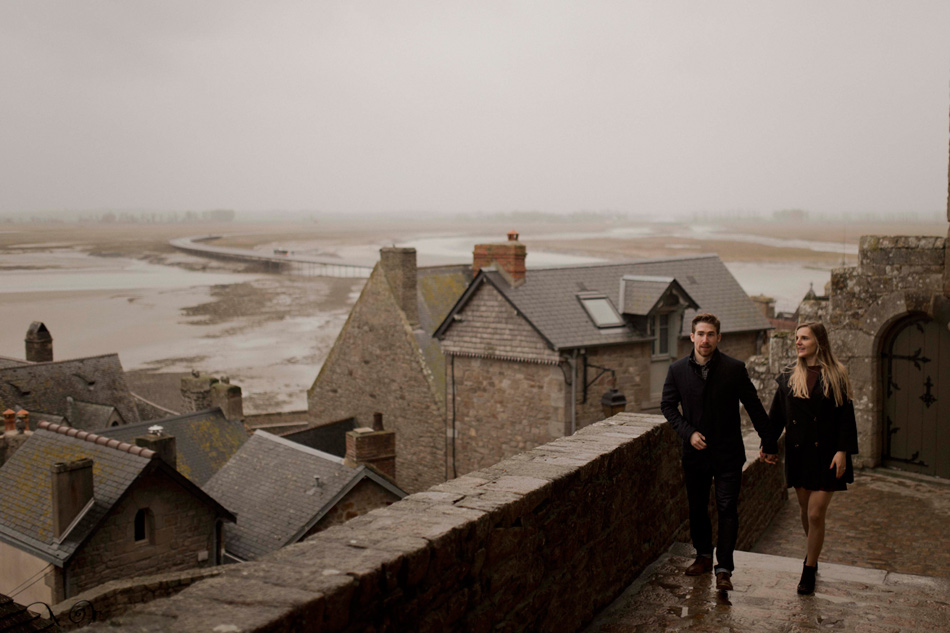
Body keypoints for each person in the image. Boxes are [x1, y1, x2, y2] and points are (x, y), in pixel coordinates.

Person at [661, 313, 776, 592]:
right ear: (692, 336)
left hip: (728, 453)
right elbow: (667, 407)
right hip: (695, 455)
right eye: (700, 334)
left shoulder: (734, 369)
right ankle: (702, 556)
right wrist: (688, 433)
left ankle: (724, 568)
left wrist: (769, 442)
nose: (705, 339)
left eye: (710, 334)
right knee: (698, 508)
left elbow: (754, 406)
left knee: (727, 509)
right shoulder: (677, 370)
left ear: (718, 337)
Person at [766, 321, 858, 595]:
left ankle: (809, 567)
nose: (798, 342)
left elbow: (845, 416)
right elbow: (776, 416)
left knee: (816, 513)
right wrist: (768, 444)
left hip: (827, 454)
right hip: (799, 452)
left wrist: (843, 450)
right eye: (796, 338)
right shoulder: (788, 376)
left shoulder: (837, 374)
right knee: (807, 513)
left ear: (819, 341)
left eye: (804, 338)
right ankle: (813, 554)